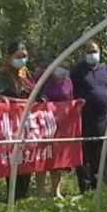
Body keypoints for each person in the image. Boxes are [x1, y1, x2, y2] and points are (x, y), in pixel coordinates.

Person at [69, 39, 107, 192]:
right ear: (84, 53)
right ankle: (84, 185)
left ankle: (97, 183)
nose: (92, 54)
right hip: (83, 119)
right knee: (84, 154)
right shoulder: (77, 72)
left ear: (100, 52)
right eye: (89, 51)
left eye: (94, 51)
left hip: (101, 119)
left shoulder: (105, 71)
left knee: (99, 153)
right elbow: (70, 92)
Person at [0, 40, 36, 200]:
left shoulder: (25, 73)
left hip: (26, 125)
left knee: (26, 160)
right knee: (12, 162)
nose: (22, 60)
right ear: (9, 57)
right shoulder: (3, 74)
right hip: (9, 126)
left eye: (25, 56)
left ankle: (22, 196)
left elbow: (34, 90)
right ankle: (12, 196)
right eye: (18, 56)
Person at [39, 60, 76, 198]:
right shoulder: (44, 78)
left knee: (57, 159)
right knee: (43, 156)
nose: (64, 70)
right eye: (62, 66)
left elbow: (71, 100)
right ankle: (40, 190)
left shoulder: (68, 82)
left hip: (61, 126)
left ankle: (56, 190)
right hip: (44, 124)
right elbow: (37, 96)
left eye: (67, 68)